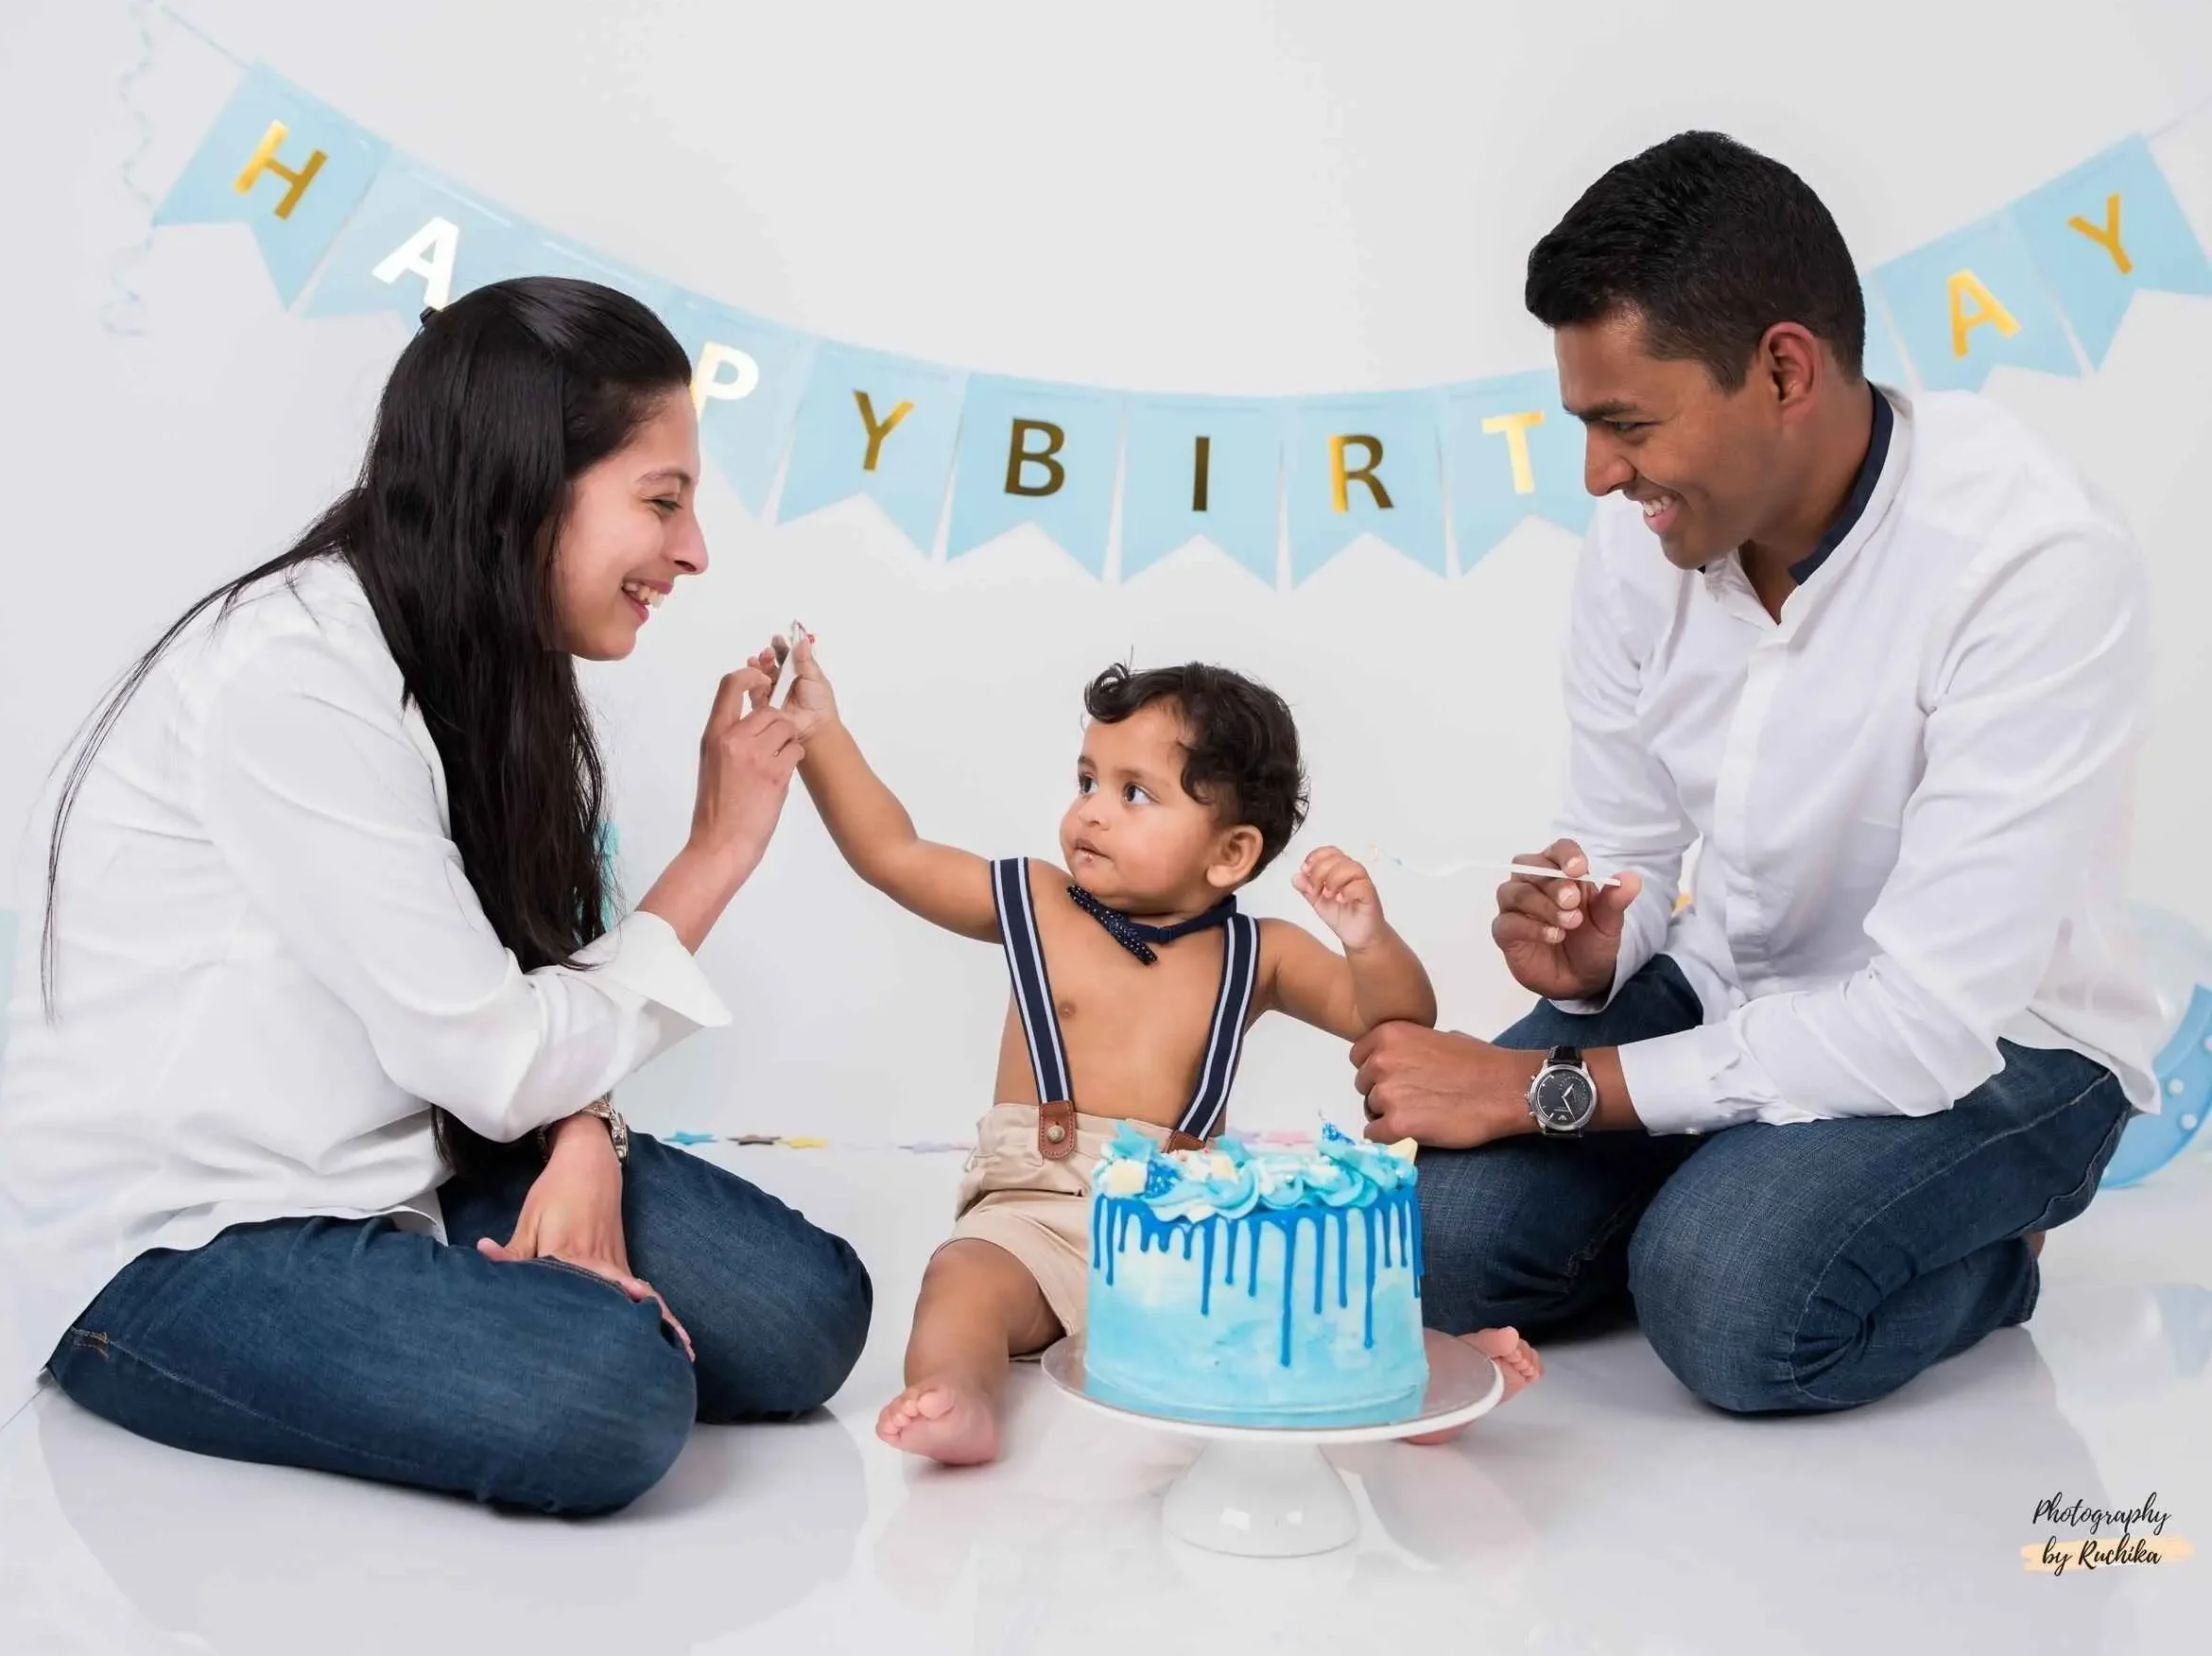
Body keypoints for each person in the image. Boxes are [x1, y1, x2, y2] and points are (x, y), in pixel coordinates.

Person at [0, 278, 872, 1510]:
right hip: (184, 1243)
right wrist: (714, 858)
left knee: (805, 1314)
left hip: (421, 1161)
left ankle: (483, 1269)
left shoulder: (472, 656)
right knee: (612, 1395)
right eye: (662, 502)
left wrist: (585, 1137)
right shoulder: (292, 681)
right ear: (523, 487)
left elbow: (514, 999)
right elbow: (499, 1058)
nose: (693, 553)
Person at [1352, 131, 2163, 1413]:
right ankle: (1727, 1189)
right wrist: (1591, 948)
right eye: (1585, 425)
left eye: (1626, 424)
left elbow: (1921, 1023)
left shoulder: (2032, 563)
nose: (1599, 475)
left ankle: (1992, 1255)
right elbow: (1624, 840)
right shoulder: (1651, 540)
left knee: (1734, 1309)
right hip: (1735, 992)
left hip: (1996, 1047)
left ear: (1783, 368)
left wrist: (1544, 1089)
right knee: (1430, 1246)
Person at [761, 644, 1541, 1464]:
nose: (1092, 810)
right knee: (961, 1284)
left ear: (1231, 853)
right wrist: (822, 733)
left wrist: (1366, 939)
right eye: (1087, 780)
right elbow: (893, 853)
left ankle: (1422, 1385)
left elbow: (1394, 1020)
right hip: (1031, 1211)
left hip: (1185, 1227)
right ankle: (959, 1395)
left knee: (1288, 1303)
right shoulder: (1038, 901)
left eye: (1135, 793)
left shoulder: (1258, 953)